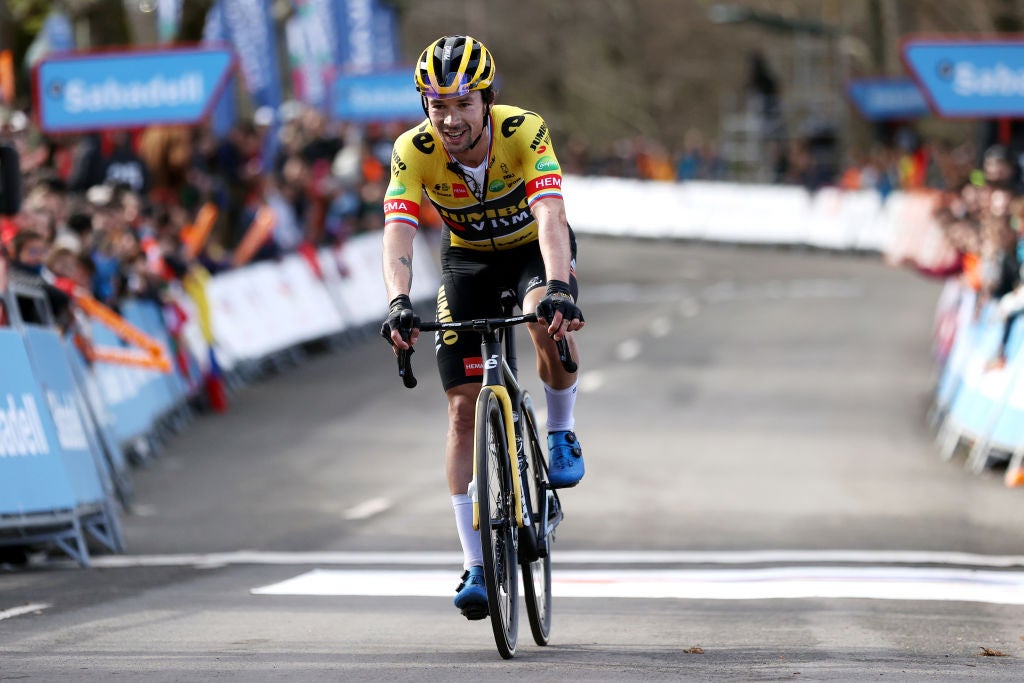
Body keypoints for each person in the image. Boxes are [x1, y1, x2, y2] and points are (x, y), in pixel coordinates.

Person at [379, 35, 586, 620]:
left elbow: (550, 213)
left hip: (531, 251)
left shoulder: (524, 130)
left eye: (462, 104)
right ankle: (474, 562)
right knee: (462, 410)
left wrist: (559, 287)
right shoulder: (412, 149)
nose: (448, 118)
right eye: (436, 104)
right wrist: (397, 300)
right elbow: (397, 230)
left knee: (544, 315)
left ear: (486, 101)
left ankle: (560, 430)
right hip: (466, 259)